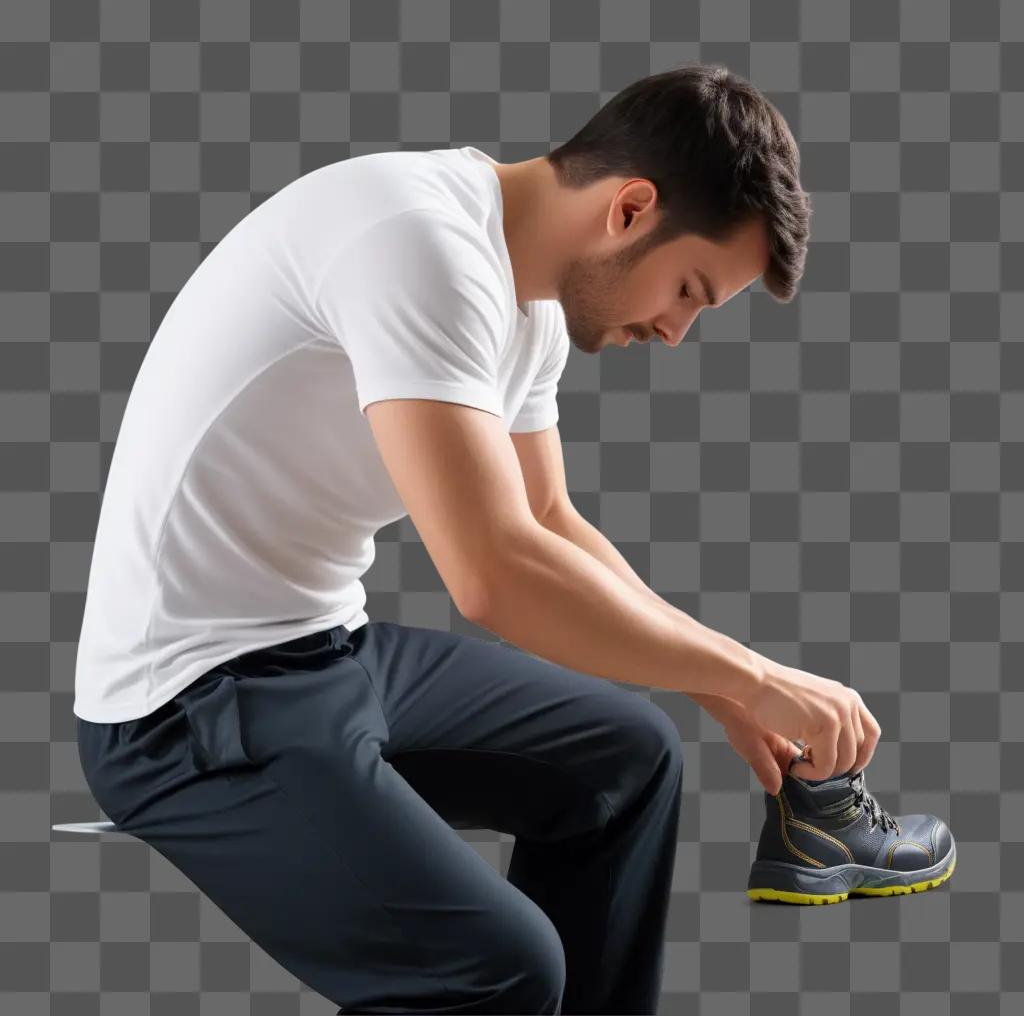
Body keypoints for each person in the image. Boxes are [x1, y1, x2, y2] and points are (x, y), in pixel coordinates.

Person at [75, 62, 874, 1014]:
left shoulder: (529, 294)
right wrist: (755, 675)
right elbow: (494, 574)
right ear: (630, 209)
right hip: (179, 705)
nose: (675, 331)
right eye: (689, 289)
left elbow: (548, 522)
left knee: (629, 758)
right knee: (498, 967)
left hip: (323, 649)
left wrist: (717, 685)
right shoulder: (415, 240)